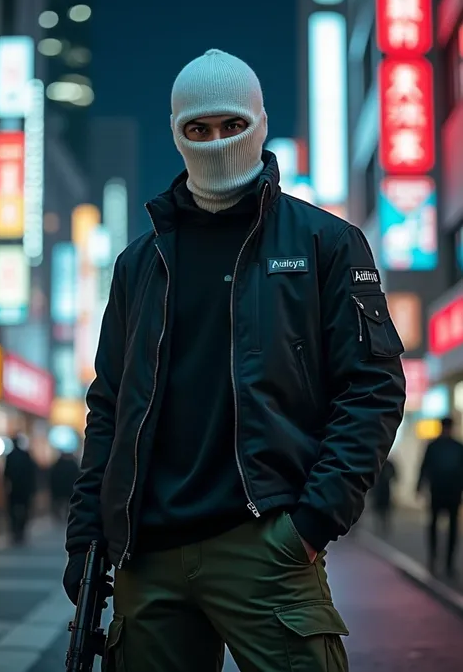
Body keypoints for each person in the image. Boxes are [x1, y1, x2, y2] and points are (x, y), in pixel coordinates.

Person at [63, 49, 406, 671]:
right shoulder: (138, 264)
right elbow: (109, 406)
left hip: (267, 544)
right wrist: (87, 535)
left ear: (259, 124)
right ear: (177, 133)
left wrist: (310, 523)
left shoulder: (324, 243)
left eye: (231, 125)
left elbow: (373, 387)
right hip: (149, 552)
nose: (216, 142)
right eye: (198, 129)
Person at [417, 416, 463, 577]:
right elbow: (424, 466)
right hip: (440, 491)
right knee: (436, 526)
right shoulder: (442, 446)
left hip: (450, 492)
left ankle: (447, 562)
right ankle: (434, 559)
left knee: (450, 529)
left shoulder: (451, 446)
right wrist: (419, 485)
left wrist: (419, 485)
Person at [4, 433, 37, 544]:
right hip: (25, 489)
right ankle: (21, 531)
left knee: (12, 510)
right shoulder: (25, 455)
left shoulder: (10, 456)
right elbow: (31, 473)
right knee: (25, 510)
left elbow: (6, 474)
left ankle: (15, 530)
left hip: (13, 488)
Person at [369, 458, 398, 536]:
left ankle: (384, 526)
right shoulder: (377, 463)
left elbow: (395, 475)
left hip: (384, 489)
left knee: (384, 509)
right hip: (378, 489)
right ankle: (381, 526)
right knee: (379, 509)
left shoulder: (388, 464)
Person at [49, 452, 80, 522]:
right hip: (69, 490)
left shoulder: (57, 465)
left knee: (60, 504)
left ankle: (59, 517)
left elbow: (53, 478)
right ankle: (65, 516)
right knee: (67, 504)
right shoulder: (73, 465)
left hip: (59, 490)